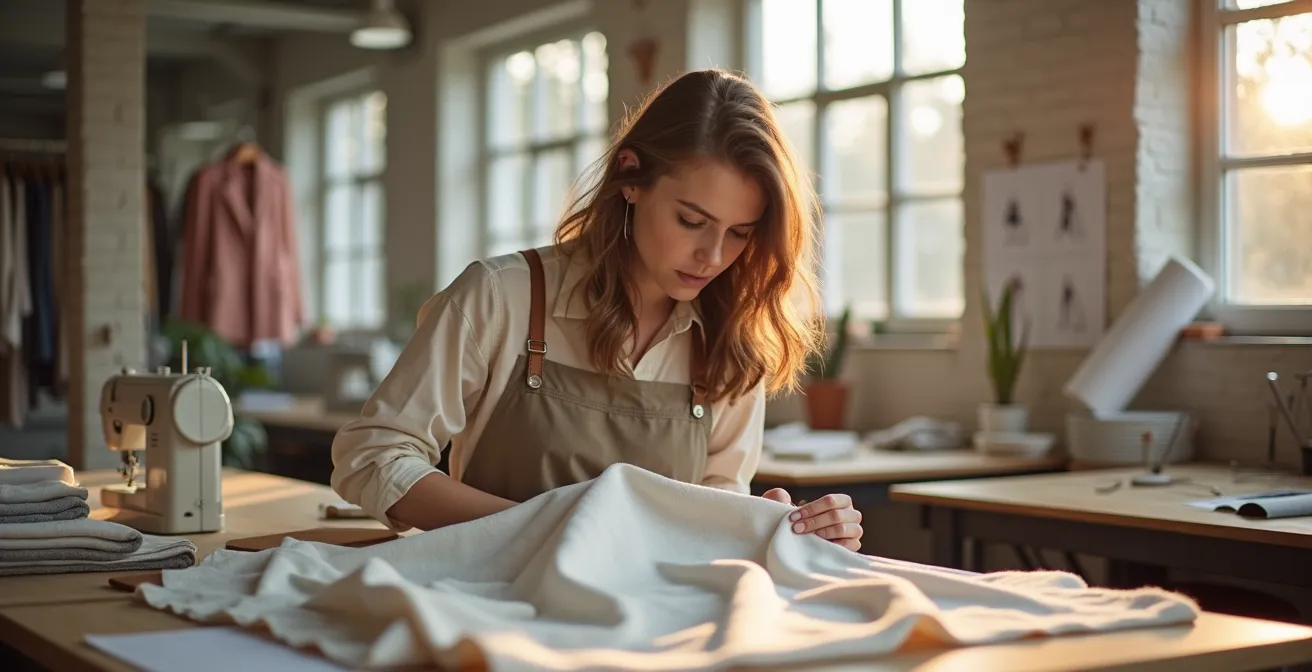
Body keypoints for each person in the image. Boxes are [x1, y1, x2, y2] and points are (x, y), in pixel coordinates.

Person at [330, 69, 865, 551]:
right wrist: (541, 531)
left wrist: (773, 526)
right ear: (630, 179)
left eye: (740, 233)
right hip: (487, 598)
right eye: (691, 221)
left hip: (647, 611)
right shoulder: (500, 296)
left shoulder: (731, 342)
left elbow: (711, 521)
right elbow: (373, 457)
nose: (713, 256)